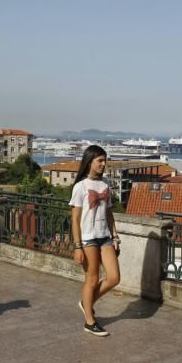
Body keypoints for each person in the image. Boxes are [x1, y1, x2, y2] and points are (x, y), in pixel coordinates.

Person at [70, 144, 121, 337]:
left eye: (105, 160)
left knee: (114, 277)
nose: (104, 164)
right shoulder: (80, 187)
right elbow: (74, 219)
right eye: (100, 160)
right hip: (88, 239)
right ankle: (89, 321)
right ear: (89, 161)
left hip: (105, 236)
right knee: (91, 279)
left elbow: (109, 213)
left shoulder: (106, 184)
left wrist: (115, 236)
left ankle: (86, 303)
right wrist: (77, 246)